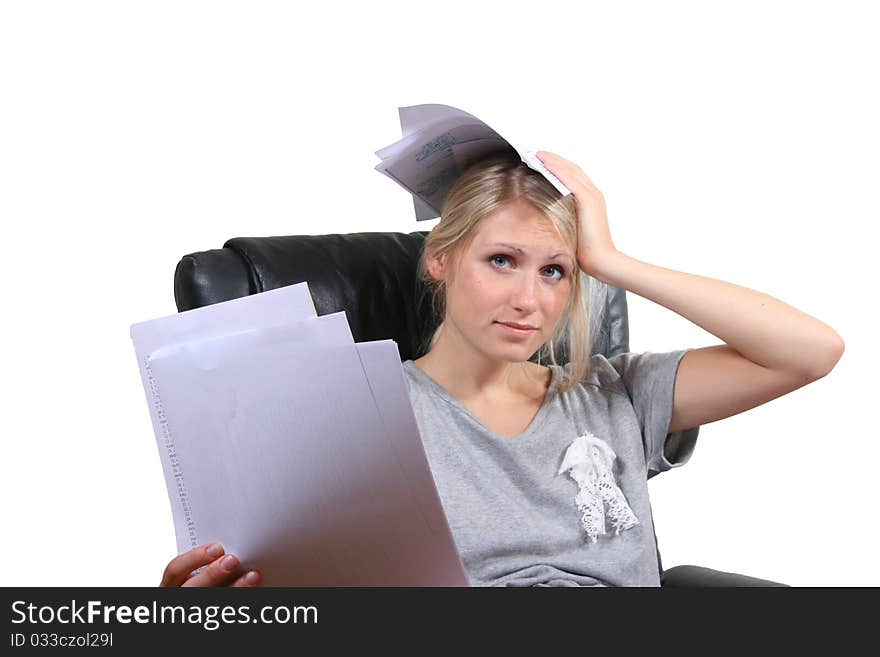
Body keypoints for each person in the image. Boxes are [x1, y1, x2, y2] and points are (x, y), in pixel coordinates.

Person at [160, 149, 844, 587]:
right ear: (440, 258)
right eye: (501, 261)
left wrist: (614, 265)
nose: (530, 300)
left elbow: (812, 350)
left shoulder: (613, 392)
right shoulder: (366, 415)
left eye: (555, 271)